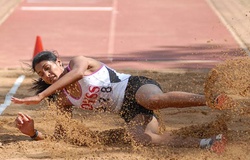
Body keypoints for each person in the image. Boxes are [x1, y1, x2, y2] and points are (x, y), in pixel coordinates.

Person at [12, 50, 226, 153]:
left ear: (59, 62)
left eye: (48, 67)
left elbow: (77, 73)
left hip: (135, 87)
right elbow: (61, 136)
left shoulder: (78, 62)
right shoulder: (63, 100)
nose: (47, 74)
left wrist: (40, 96)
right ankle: (209, 143)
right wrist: (33, 133)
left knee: (152, 100)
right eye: (42, 74)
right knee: (142, 139)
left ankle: (212, 101)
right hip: (129, 110)